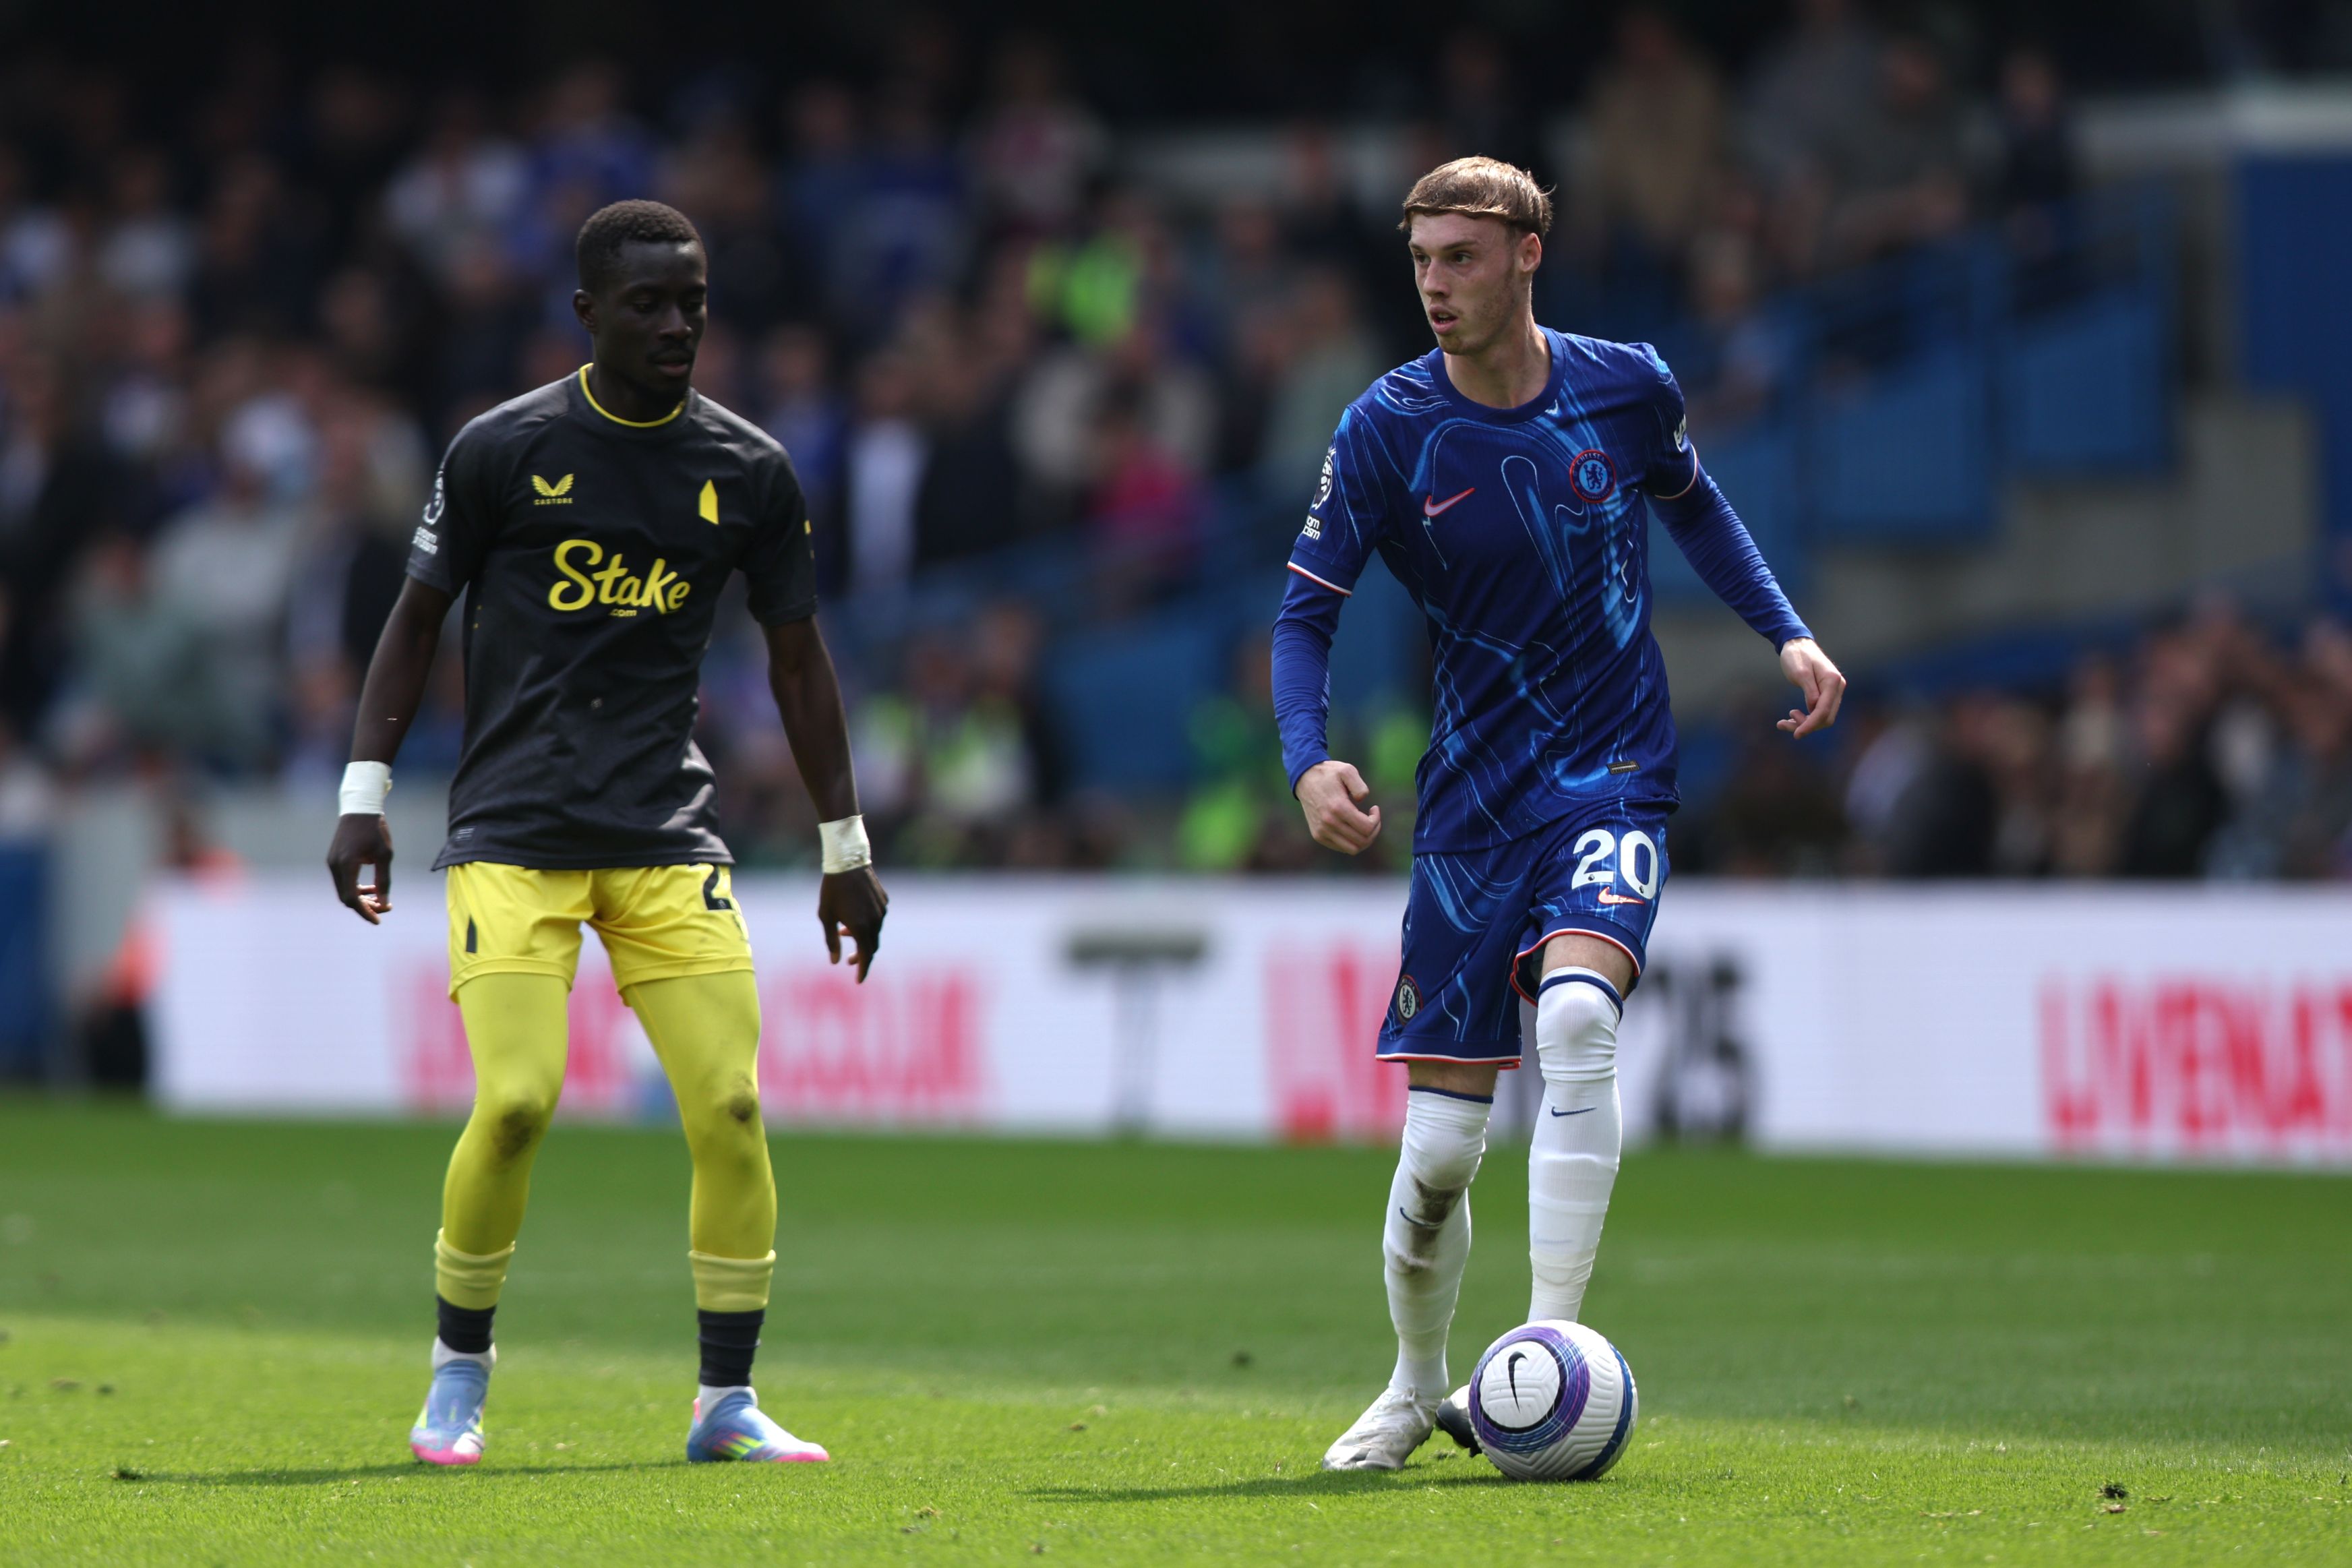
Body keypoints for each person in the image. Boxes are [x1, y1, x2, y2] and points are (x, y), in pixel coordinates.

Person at [1272, 158, 1842, 1470]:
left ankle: (1541, 1357)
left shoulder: (1625, 385)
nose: (1434, 284)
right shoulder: (1385, 428)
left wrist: (1786, 632)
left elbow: (1695, 505)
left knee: (1578, 1019)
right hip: (1470, 803)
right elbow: (1304, 613)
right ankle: (1415, 1384)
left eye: (1461, 258)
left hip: (1609, 767)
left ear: (1527, 254)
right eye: (1421, 260)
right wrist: (1306, 760)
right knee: (1437, 1154)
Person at [324, 200, 888, 1468]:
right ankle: (458, 1376)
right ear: (587, 313)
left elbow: (800, 663)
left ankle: (725, 1400)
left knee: (731, 1104)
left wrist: (845, 850)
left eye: (694, 301)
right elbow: (415, 620)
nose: (679, 323)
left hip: (664, 833)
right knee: (518, 1102)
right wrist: (363, 793)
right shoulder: (501, 450)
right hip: (512, 830)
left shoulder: (749, 469)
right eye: (649, 303)